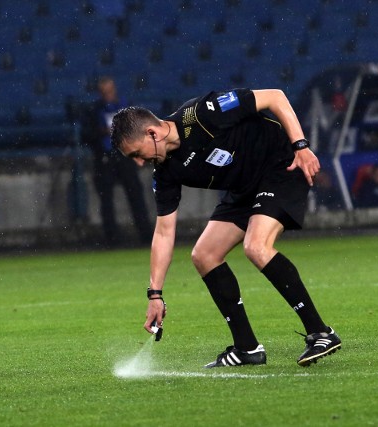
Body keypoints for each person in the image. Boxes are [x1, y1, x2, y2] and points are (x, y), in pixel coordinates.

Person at [110, 88, 341, 368]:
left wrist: (300, 146)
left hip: (280, 168)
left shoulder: (203, 113)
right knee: (204, 255)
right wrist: (155, 294)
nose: (138, 162)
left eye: (137, 153)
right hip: (243, 189)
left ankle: (321, 332)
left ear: (152, 133)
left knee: (256, 247)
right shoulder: (165, 171)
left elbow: (275, 97)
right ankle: (247, 348)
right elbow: (163, 232)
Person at [86, 76, 152, 246]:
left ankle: (146, 235)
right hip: (105, 158)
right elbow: (89, 134)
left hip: (125, 157)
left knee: (136, 196)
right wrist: (102, 132)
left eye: (109, 91)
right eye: (103, 92)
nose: (107, 95)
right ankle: (112, 239)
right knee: (106, 200)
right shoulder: (94, 110)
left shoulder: (126, 106)